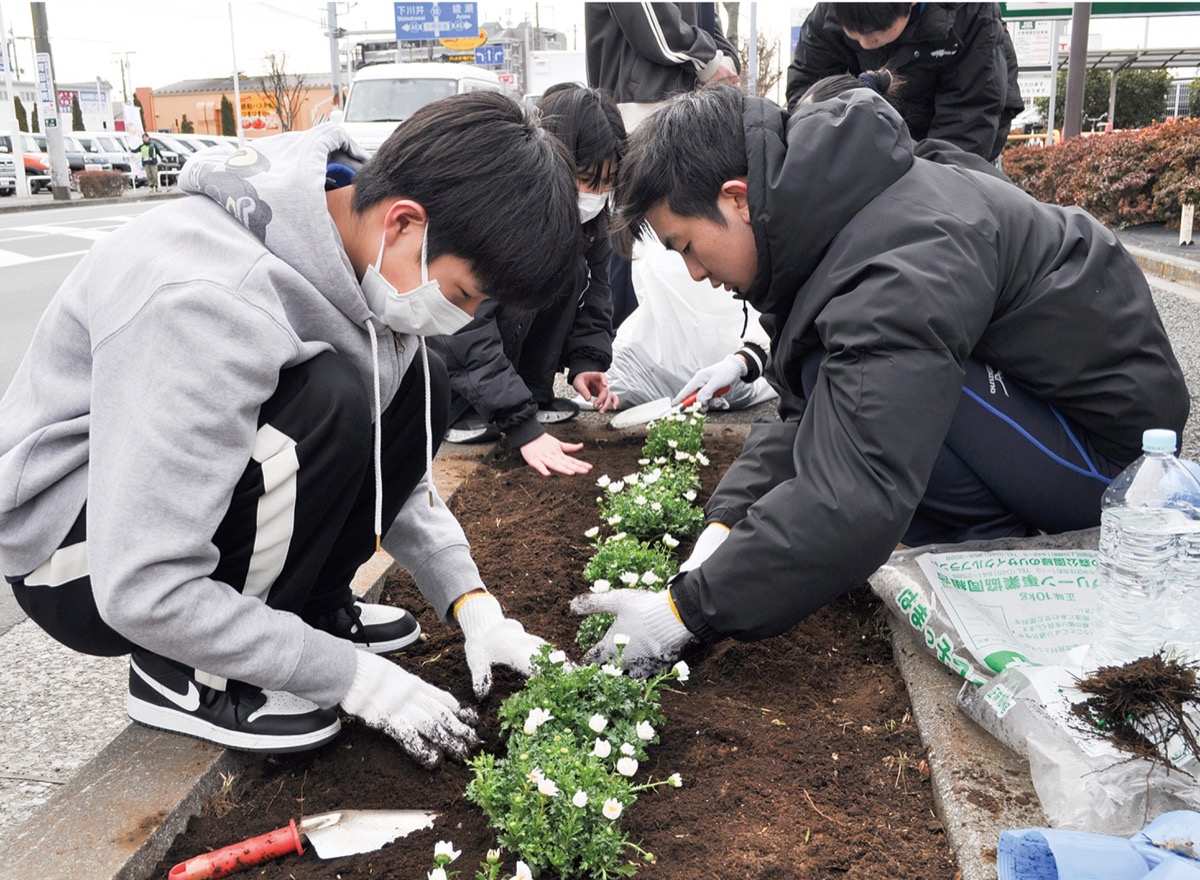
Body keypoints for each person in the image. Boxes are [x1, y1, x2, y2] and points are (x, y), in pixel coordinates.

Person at [0, 92, 580, 766]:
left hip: (153, 528)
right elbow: (141, 586)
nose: (463, 316)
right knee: (328, 398)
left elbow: (399, 470)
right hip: (81, 558)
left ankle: (311, 610)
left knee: (423, 381)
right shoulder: (209, 300)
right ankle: (187, 672)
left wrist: (473, 603)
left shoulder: (352, 243)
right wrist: (353, 680)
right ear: (403, 223)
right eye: (460, 295)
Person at [572, 84, 1189, 677]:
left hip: (1113, 472)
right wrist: (723, 527)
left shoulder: (901, 263)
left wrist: (686, 611)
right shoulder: (845, 212)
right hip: (1042, 411)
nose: (697, 273)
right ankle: (965, 523)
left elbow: (858, 486)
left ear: (737, 198)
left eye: (688, 246)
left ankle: (986, 543)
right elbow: (810, 423)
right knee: (846, 383)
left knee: (880, 414)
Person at [428, 84, 625, 477]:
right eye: (586, 179)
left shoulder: (587, 223)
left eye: (608, 182)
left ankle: (533, 394)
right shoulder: (501, 211)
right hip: (443, 370)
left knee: (571, 271)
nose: (597, 195)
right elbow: (464, 327)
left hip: (507, 377)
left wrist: (587, 360)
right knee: (523, 280)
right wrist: (520, 426)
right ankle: (462, 409)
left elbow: (596, 293)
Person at [585, 2, 740, 329]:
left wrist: (722, 60)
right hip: (640, 108)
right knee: (634, 245)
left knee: (677, 241)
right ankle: (618, 353)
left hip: (682, 104)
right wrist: (710, 61)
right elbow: (649, 19)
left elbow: (707, 19)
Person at [785, 3, 1023, 162]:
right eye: (853, 33)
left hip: (959, 128)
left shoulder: (971, 13)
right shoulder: (831, 13)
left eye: (876, 34)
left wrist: (930, 182)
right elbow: (808, 87)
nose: (865, 43)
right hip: (872, 137)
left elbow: (971, 112)